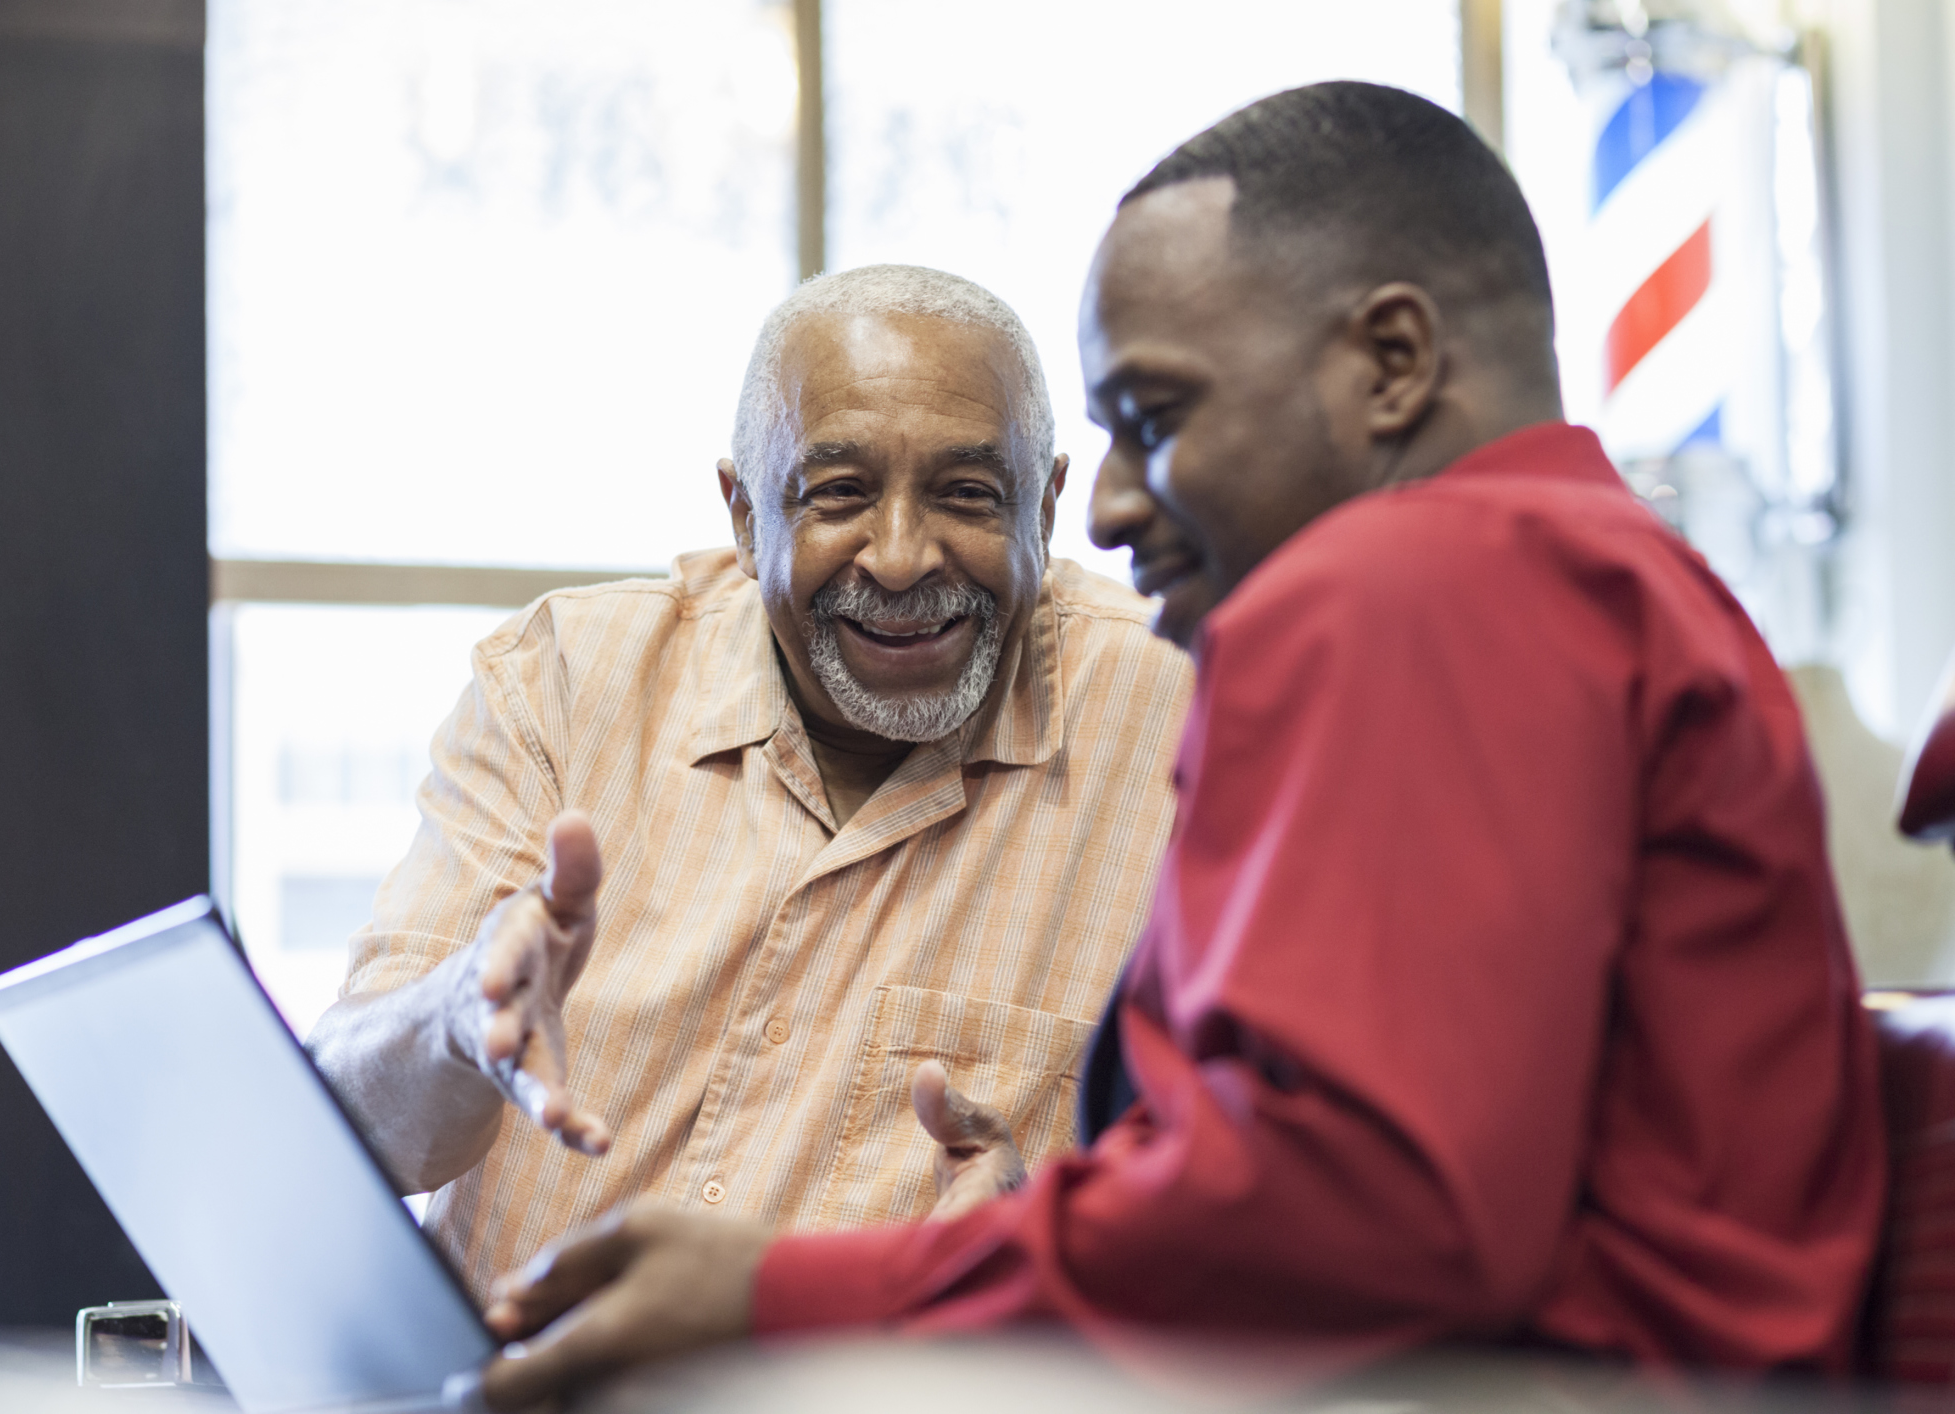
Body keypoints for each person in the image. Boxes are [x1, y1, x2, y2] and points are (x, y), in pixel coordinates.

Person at [469, 83, 1886, 1407]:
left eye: (1156, 418)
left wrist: (781, 1288)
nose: (1111, 511)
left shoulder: (1408, 582)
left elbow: (1361, 1212)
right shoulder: (1615, 573)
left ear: (1393, 361)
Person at [305, 265, 1193, 1296]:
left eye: (966, 494)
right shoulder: (562, 682)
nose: (901, 558)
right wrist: (454, 1019)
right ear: (740, 513)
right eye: (838, 493)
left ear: (1043, 504)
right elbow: (350, 1135)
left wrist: (1041, 1266)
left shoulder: (1183, 718)